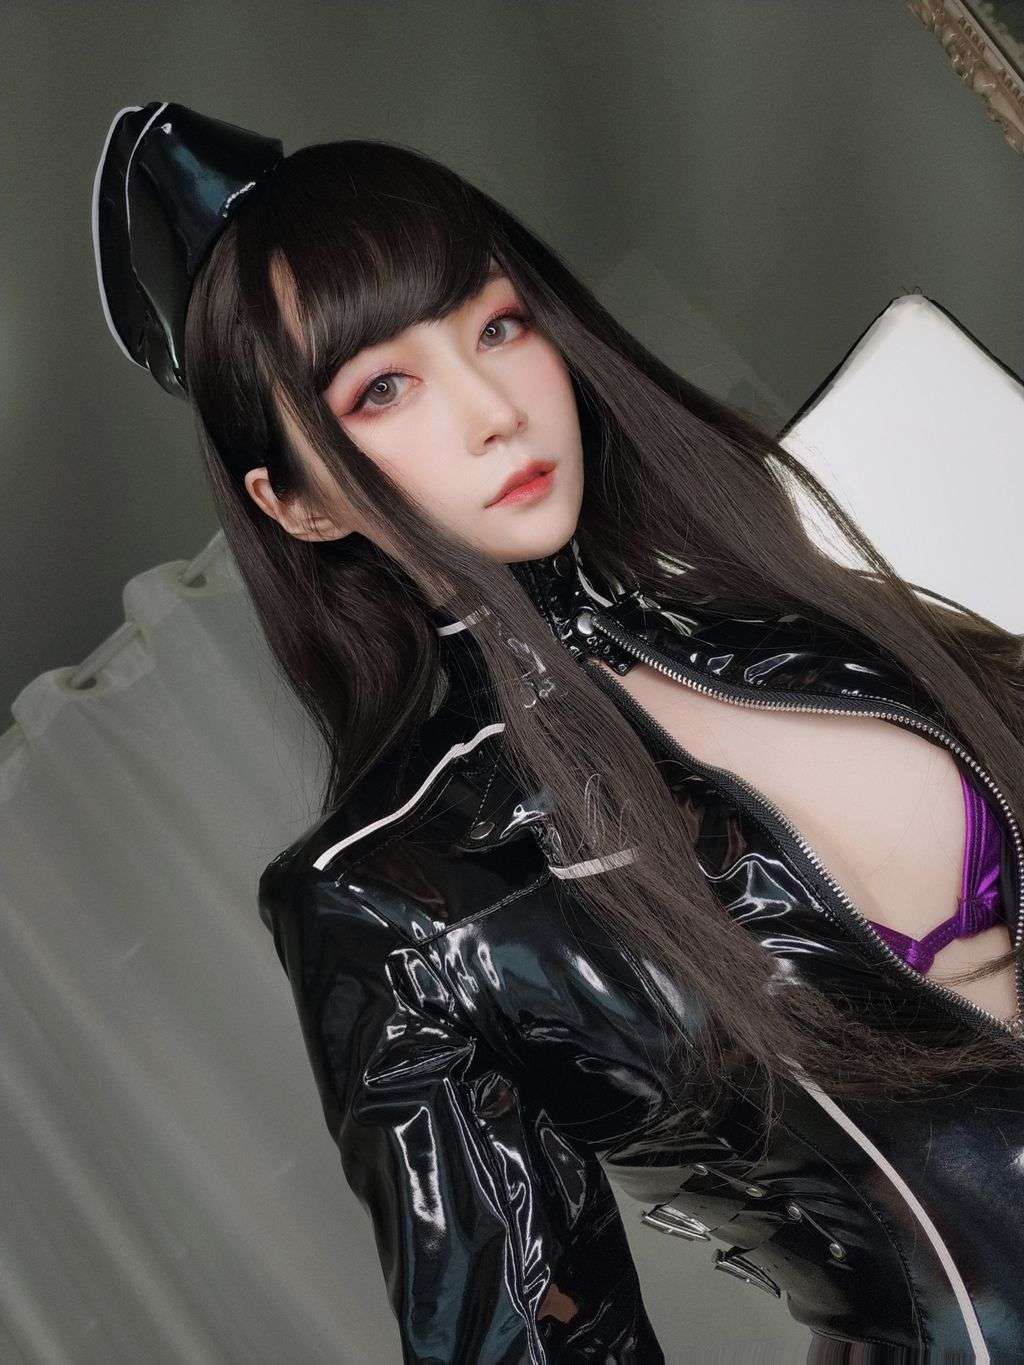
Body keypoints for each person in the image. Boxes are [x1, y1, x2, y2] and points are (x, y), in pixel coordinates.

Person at [93, 102, 1024, 1363]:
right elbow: (529, 1336)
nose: (492, 408)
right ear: (298, 503)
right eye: (383, 389)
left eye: (496, 326)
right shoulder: (391, 897)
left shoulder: (797, 627)